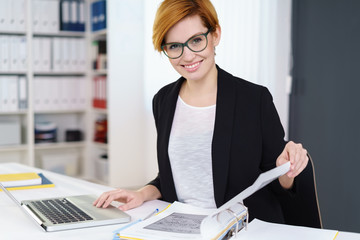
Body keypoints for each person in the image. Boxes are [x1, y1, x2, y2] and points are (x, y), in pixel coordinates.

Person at [94, 0, 308, 224]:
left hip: (241, 228)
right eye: (175, 46)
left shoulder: (254, 99)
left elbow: (276, 183)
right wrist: (141, 194)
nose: (187, 56)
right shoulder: (164, 100)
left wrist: (288, 168)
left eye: (196, 40)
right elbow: (174, 177)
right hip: (183, 225)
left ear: (215, 35)